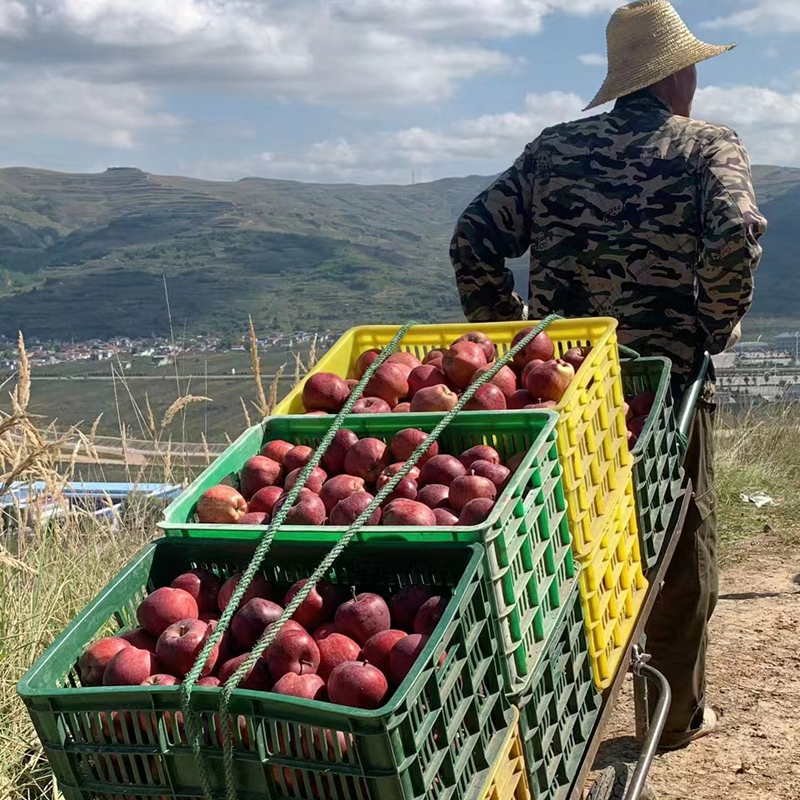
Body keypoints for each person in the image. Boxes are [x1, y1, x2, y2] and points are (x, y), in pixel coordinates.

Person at [450, 0, 767, 750]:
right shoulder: (708, 147)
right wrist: (711, 329)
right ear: (679, 74)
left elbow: (473, 238)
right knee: (680, 542)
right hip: (665, 388)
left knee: (566, 546)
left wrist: (515, 342)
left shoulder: (553, 152)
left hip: (564, 387)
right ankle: (675, 717)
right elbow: (736, 234)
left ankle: (561, 723)